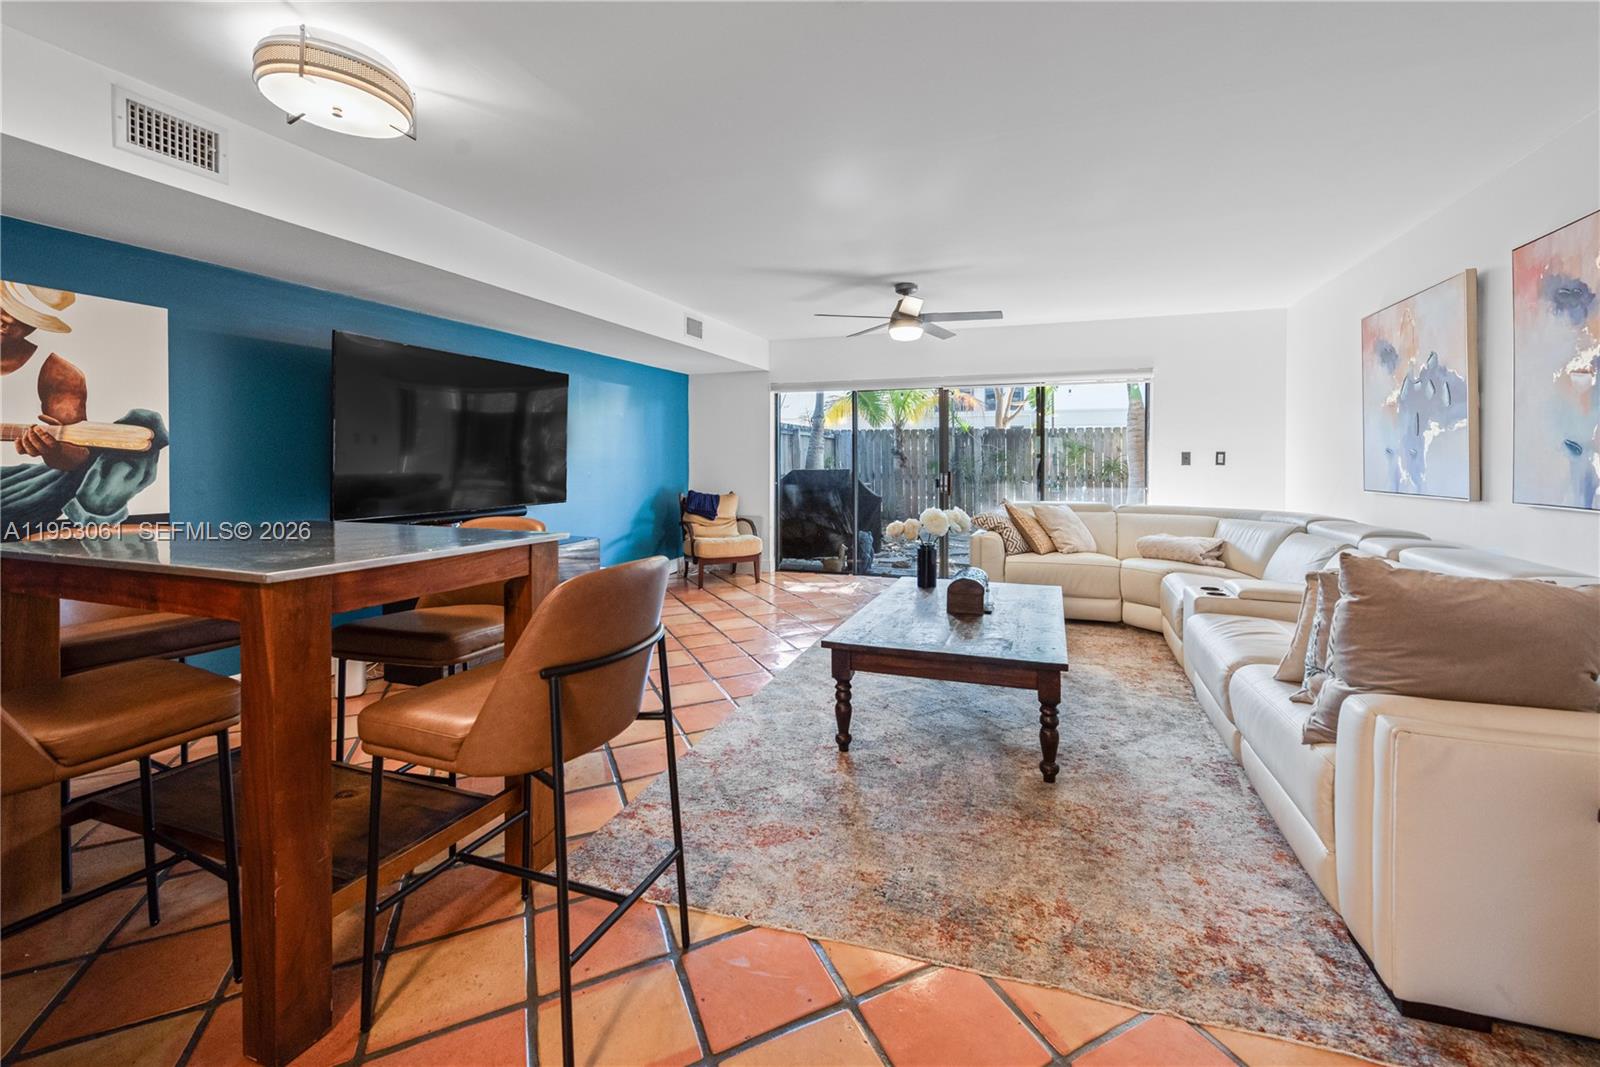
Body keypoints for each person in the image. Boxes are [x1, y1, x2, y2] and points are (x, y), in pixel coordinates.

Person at [1, 282, 168, 533]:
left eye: (23, 316)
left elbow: (74, 460)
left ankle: (96, 515)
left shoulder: (59, 374)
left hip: (15, 490)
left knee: (143, 424)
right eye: (3, 305)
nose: (6, 319)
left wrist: (53, 449)